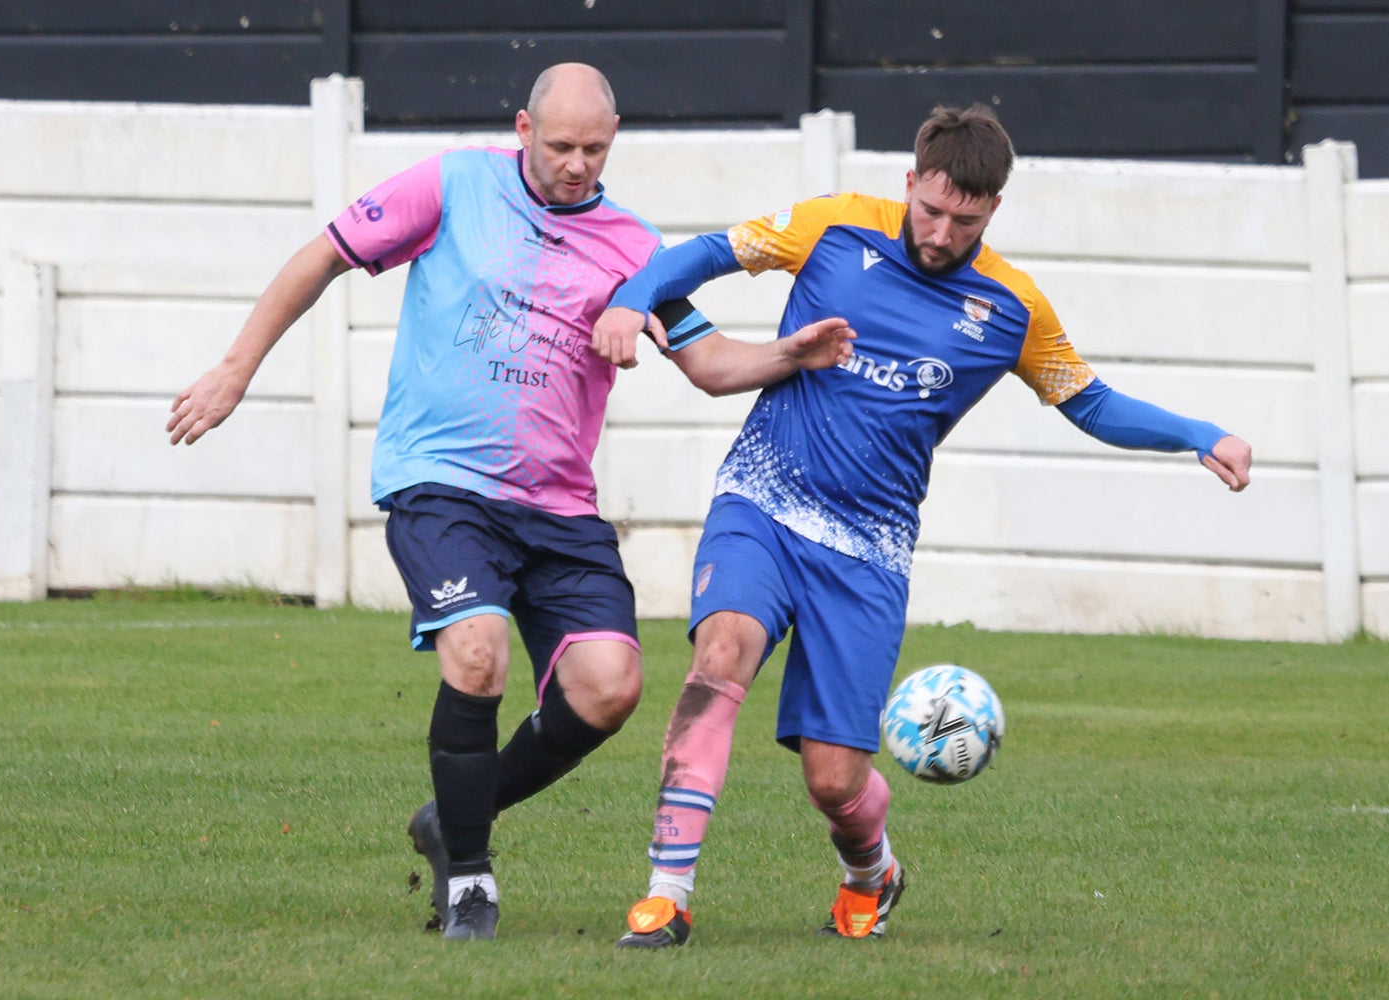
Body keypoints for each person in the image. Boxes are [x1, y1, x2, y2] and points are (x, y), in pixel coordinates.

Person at [166, 62, 854, 942]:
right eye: (561, 145)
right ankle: (469, 882)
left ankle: (455, 810)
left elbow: (711, 365)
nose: (577, 163)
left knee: (611, 689)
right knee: (479, 654)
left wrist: (792, 352)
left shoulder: (636, 247)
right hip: (442, 483)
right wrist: (236, 369)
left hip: (559, 509)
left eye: (595, 149)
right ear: (522, 130)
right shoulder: (454, 185)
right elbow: (323, 256)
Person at [589, 102, 1253, 947]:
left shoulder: (1012, 306)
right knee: (719, 656)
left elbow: (1089, 402)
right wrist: (631, 299)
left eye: (963, 220)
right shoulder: (833, 227)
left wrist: (1202, 435)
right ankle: (667, 896)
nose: (939, 234)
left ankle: (872, 871)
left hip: (870, 549)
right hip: (762, 499)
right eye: (930, 210)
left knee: (834, 782)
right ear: (909, 183)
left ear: (992, 213)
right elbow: (704, 254)